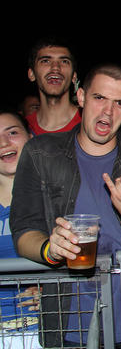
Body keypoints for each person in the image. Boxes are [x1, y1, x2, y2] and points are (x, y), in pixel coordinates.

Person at [9, 64, 121, 347]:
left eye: (120, 103)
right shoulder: (41, 152)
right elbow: (23, 231)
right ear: (80, 97)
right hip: (68, 322)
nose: (108, 111)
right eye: (99, 98)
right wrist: (51, 249)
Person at [0, 109, 42, 349]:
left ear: (31, 137)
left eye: (12, 133)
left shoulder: (58, 199)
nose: (4, 143)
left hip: (49, 332)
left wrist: (52, 289)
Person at [25, 36, 81, 135]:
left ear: (74, 76)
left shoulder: (89, 125)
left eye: (64, 61)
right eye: (45, 61)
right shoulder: (23, 129)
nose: (55, 68)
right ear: (31, 74)